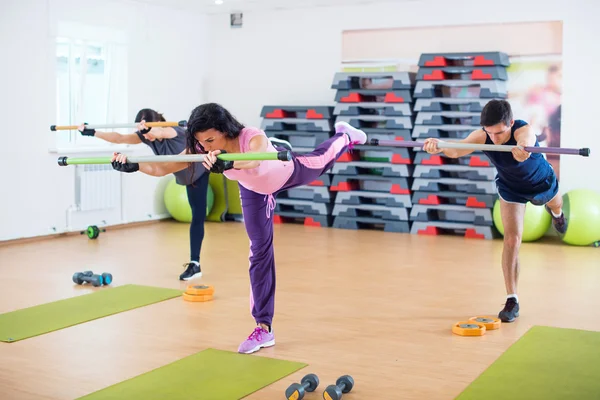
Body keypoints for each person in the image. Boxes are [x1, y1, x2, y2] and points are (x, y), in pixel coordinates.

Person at [109, 103, 367, 353]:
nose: (204, 147)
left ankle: (345, 135)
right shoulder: (201, 148)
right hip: (254, 190)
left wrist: (229, 163)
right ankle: (264, 328)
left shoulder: (250, 136)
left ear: (224, 130)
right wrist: (134, 166)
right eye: (201, 142)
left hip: (286, 170)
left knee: (321, 159)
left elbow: (253, 161)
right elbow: (161, 167)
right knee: (259, 253)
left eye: (210, 141)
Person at [422, 99, 568, 323]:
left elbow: (526, 139)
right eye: (490, 133)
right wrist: (438, 145)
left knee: (555, 205)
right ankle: (512, 299)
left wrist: (523, 150)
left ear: (510, 122)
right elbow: (456, 150)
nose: (494, 138)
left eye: (499, 133)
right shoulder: (483, 135)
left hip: (541, 183)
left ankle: (557, 215)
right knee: (511, 240)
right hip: (511, 188)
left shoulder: (522, 130)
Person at [78, 108, 209, 281]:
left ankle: (195, 264)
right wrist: (93, 132)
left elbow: (161, 131)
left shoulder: (173, 130)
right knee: (195, 215)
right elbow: (119, 138)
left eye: (146, 132)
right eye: (142, 133)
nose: (145, 137)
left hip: (198, 172)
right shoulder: (146, 136)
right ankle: (195, 264)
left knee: (197, 217)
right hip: (181, 174)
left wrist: (149, 130)